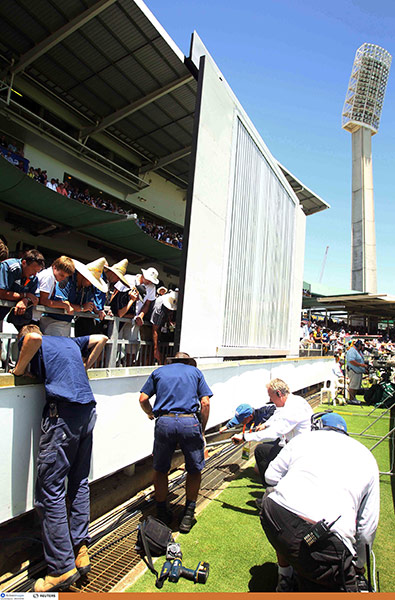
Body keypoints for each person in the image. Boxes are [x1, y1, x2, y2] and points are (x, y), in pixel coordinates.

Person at [10, 324, 108, 592]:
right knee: (78, 481)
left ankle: (61, 568)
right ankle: (80, 549)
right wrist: (85, 365)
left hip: (63, 416)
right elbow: (102, 338)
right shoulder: (70, 342)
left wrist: (19, 370)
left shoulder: (35, 340)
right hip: (87, 411)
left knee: (49, 491)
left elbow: (32, 338)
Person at [259, 413, 379, 592]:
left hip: (276, 517)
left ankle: (285, 576)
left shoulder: (302, 440)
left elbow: (270, 477)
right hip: (329, 545)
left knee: (270, 495)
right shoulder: (367, 457)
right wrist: (359, 563)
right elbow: (367, 526)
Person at [139, 352, 212, 533]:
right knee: (194, 469)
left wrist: (150, 413)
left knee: (161, 468)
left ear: (171, 361)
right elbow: (205, 403)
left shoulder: (159, 372)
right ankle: (187, 515)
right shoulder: (195, 373)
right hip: (189, 422)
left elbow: (142, 398)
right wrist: (201, 430)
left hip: (165, 422)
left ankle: (162, 512)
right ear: (188, 361)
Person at [232, 379, 312, 494]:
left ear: (278, 393)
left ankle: (275, 495)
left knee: (269, 474)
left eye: (270, 396)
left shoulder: (293, 408)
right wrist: (265, 424)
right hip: (292, 445)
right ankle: (272, 491)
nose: (270, 400)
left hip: (299, 452)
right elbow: (277, 415)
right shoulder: (294, 401)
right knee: (261, 451)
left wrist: (245, 437)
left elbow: (274, 433)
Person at [44, 258, 108, 336]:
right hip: (52, 320)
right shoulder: (66, 279)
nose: (91, 284)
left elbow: (89, 304)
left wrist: (98, 311)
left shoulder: (88, 287)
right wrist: (82, 308)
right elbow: (60, 303)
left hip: (67, 322)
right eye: (91, 281)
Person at [115, 267, 159, 363]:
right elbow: (115, 293)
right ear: (143, 275)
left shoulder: (152, 287)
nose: (148, 282)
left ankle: (128, 366)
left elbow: (147, 304)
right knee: (113, 343)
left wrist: (141, 316)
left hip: (134, 318)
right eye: (148, 279)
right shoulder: (127, 278)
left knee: (132, 346)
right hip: (119, 315)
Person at [0, 249, 45, 330]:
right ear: (24, 263)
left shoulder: (34, 278)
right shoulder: (10, 267)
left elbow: (35, 299)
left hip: (9, 318)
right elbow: (1, 293)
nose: (35, 274)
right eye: (33, 270)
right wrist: (24, 295)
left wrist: (25, 300)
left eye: (37, 271)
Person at [36, 256, 75, 330]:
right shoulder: (49, 277)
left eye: (65, 277)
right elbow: (43, 300)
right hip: (31, 316)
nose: (63, 278)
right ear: (55, 267)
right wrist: (64, 305)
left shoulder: (51, 277)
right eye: (61, 275)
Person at [150, 290, 178, 364]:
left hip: (161, 328)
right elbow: (154, 330)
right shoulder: (159, 308)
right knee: (149, 350)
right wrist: (156, 349)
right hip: (150, 325)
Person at [346, 340, 367, 405]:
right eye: (361, 346)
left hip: (358, 371)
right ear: (359, 345)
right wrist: (361, 365)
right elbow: (351, 360)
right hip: (353, 371)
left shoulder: (358, 351)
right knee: (353, 385)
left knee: (356, 386)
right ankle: (351, 399)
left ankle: (354, 398)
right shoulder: (352, 351)